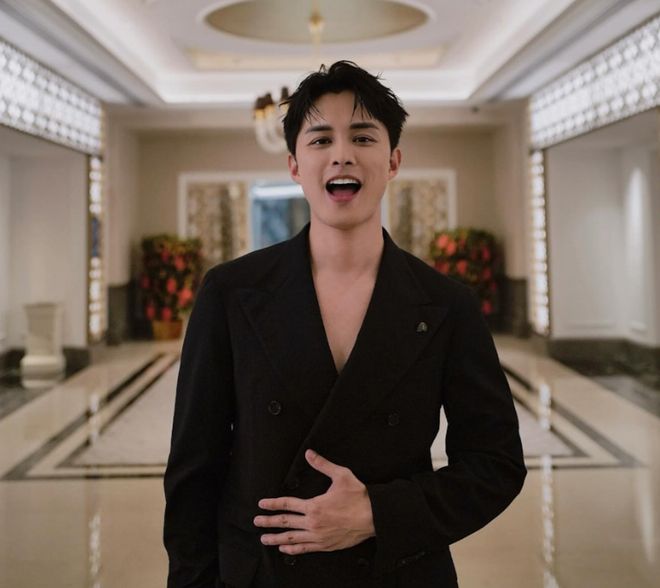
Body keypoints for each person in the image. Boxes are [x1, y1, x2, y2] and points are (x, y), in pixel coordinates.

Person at [164, 61, 526, 588]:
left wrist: (376, 513)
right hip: (261, 574)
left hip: (397, 573)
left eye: (362, 136)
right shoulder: (230, 292)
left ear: (393, 160)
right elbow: (193, 471)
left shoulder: (447, 304)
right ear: (294, 165)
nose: (341, 154)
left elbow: (496, 464)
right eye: (320, 139)